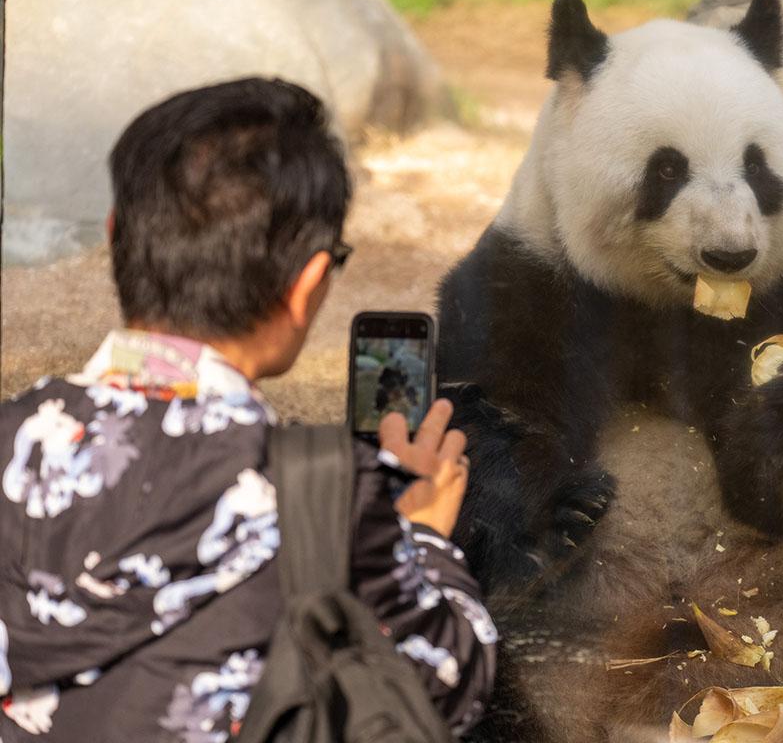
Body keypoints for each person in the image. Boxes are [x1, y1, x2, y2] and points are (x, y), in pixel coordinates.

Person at [0, 78, 495, 741]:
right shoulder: (321, 497)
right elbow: (446, 690)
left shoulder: (11, 439)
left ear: (116, 237)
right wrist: (423, 535)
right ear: (308, 285)